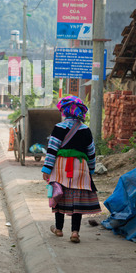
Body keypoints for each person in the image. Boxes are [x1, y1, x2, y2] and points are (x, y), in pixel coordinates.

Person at [41, 96, 101, 244]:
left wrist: (47, 169)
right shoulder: (86, 130)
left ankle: (59, 229)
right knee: (77, 198)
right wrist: (91, 170)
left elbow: (52, 149)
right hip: (80, 167)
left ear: (65, 111)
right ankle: (75, 232)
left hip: (61, 166)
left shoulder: (59, 127)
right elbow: (91, 152)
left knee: (58, 195)